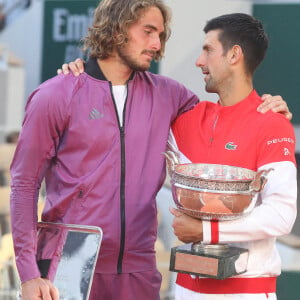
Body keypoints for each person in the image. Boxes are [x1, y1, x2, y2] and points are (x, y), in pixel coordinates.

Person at [10, 0, 291, 299]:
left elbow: (227, 117)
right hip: (68, 265)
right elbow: (24, 184)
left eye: (160, 34)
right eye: (148, 32)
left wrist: (268, 107)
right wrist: (28, 275)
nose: (156, 44)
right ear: (117, 28)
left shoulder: (170, 95)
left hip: (139, 270)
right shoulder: (55, 94)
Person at [169, 13, 297, 300]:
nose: (199, 61)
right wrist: (80, 73)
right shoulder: (187, 119)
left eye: (208, 50)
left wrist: (206, 231)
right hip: (186, 290)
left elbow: (281, 215)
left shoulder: (272, 123)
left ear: (234, 55)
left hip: (245, 292)